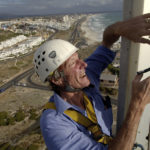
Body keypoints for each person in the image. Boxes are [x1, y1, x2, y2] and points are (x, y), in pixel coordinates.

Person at [33, 13, 150, 150]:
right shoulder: (54, 124)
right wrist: (137, 104)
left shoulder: (85, 79)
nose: (84, 65)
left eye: (79, 58)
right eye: (73, 63)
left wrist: (119, 28)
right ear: (57, 79)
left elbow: (107, 41)